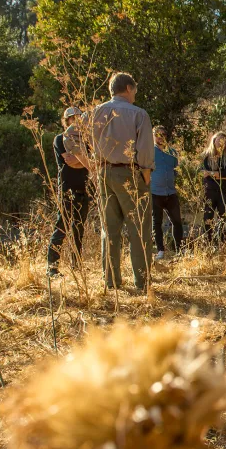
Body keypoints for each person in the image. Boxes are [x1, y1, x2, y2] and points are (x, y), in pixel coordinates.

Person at [91, 72, 154, 291]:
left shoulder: (96, 112)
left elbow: (86, 140)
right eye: (134, 90)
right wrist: (145, 175)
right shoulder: (139, 114)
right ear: (128, 88)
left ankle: (111, 282)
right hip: (130, 173)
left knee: (110, 228)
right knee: (139, 229)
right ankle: (142, 282)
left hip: (103, 172)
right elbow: (145, 150)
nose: (135, 94)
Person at [46, 106, 90, 277]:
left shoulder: (87, 140)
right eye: (72, 118)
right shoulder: (60, 139)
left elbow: (91, 162)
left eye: (79, 117)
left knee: (79, 229)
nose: (77, 120)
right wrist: (84, 160)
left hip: (84, 189)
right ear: (66, 121)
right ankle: (52, 268)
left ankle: (76, 266)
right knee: (61, 228)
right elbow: (70, 161)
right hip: (66, 190)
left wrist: (82, 160)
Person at [150, 125, 184, 261]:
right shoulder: (149, 152)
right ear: (153, 136)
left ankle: (179, 250)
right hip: (155, 192)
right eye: (157, 134)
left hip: (170, 192)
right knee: (156, 222)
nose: (160, 137)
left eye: (163, 134)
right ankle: (160, 250)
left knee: (177, 221)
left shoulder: (172, 153)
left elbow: (175, 171)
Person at [200, 132, 226, 240]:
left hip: (224, 190)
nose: (220, 143)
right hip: (209, 190)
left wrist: (212, 174)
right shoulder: (205, 155)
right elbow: (201, 172)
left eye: (223, 141)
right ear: (213, 141)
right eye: (218, 140)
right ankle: (208, 242)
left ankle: (221, 242)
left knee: (223, 217)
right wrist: (220, 175)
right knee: (208, 217)